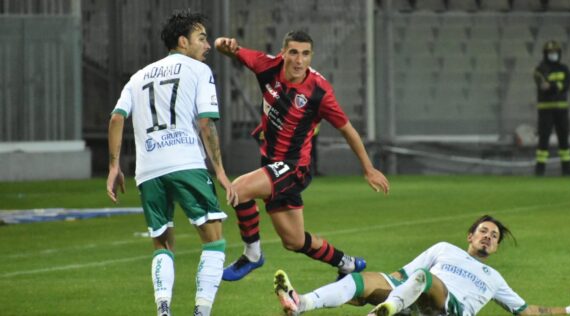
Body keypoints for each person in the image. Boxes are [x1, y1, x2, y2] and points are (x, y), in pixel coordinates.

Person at [213, 30, 390, 281]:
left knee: (238, 190)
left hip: (295, 167)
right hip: (272, 164)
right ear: (283, 53)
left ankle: (252, 255)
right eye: (294, 52)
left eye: (305, 54)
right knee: (294, 241)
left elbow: (348, 130)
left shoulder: (319, 92)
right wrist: (223, 44)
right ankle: (347, 263)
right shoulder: (267, 66)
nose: (299, 60)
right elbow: (227, 47)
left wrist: (368, 168)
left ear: (311, 56)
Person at [106, 11, 237, 316]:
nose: (207, 45)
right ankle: (201, 312)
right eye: (201, 38)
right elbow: (206, 123)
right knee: (214, 240)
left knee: (163, 244)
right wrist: (219, 171)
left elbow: (116, 118)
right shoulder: (198, 70)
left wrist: (114, 166)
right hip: (186, 163)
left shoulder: (138, 77)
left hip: (148, 171)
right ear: (183, 41)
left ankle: (163, 309)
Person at [274, 215, 570, 316]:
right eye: (483, 231)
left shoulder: (494, 278)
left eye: (494, 236)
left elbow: (527, 312)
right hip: (414, 295)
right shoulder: (444, 249)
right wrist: (374, 286)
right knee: (361, 283)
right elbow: (403, 274)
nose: (487, 236)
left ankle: (381, 312)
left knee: (424, 279)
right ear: (469, 236)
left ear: (496, 248)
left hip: (450, 310)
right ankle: (301, 303)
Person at [533, 40, 570, 176]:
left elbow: (566, 84)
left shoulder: (564, 69)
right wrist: (556, 86)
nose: (553, 55)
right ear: (545, 54)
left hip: (562, 109)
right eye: (550, 52)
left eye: (555, 52)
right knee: (543, 139)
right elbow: (542, 86)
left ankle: (567, 170)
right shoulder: (540, 69)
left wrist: (553, 86)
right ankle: (540, 170)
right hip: (545, 110)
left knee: (564, 139)